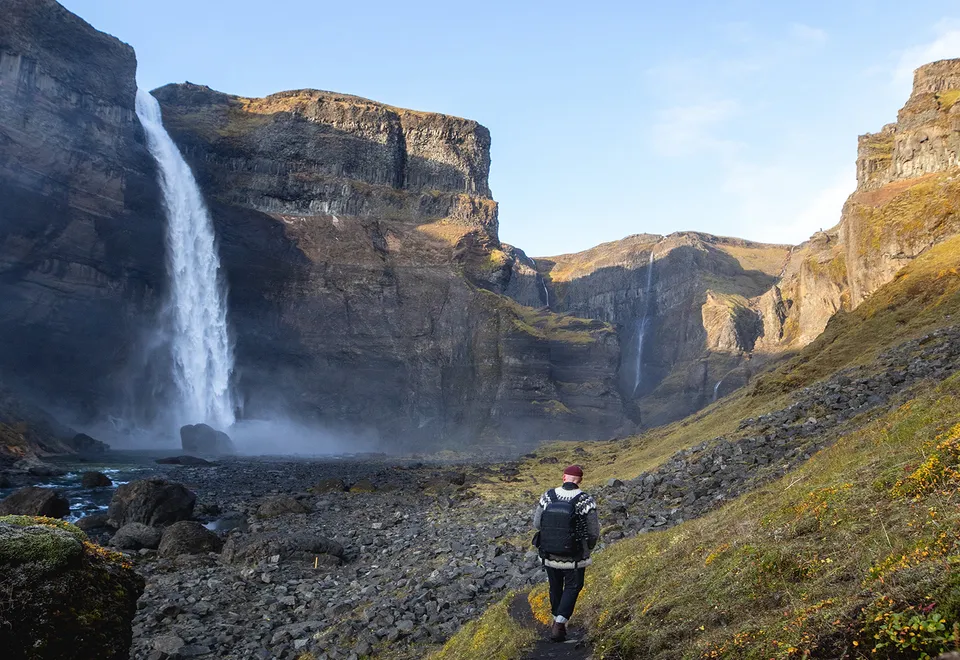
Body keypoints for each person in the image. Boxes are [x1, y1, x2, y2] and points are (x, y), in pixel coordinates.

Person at [532, 464, 600, 642]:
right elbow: (593, 531)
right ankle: (560, 623)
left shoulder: (548, 496)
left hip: (548, 553)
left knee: (555, 587)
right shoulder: (586, 500)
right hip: (574, 557)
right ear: (580, 480)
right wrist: (588, 548)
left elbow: (537, 524)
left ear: (564, 477)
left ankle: (556, 620)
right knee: (573, 586)